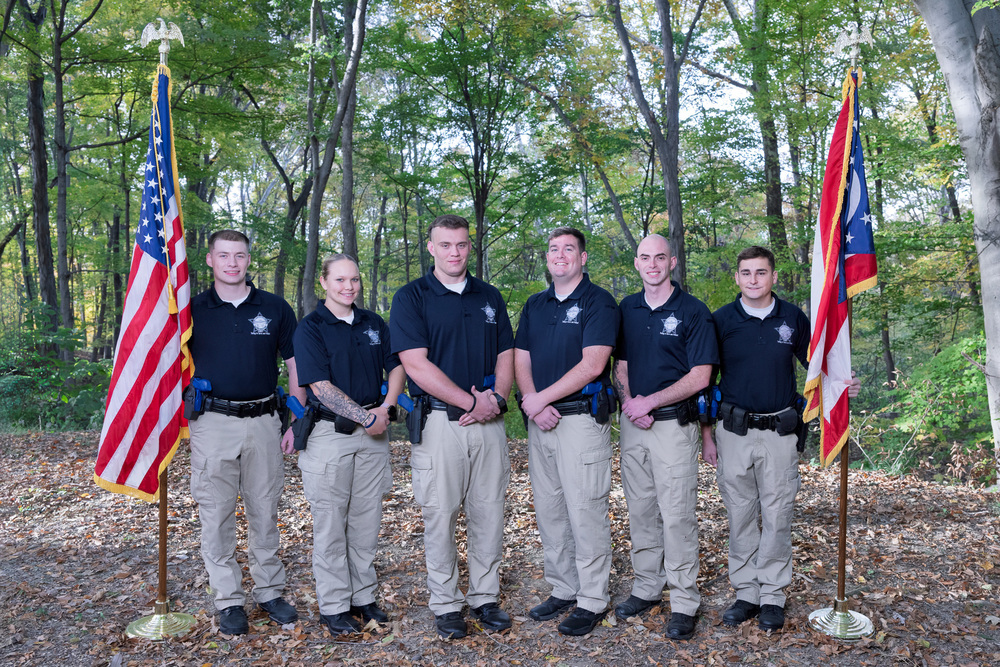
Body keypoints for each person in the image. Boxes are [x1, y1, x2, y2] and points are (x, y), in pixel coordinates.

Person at [701, 246, 860, 632]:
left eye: (761, 272)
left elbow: (817, 366)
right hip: (733, 432)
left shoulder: (793, 317)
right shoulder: (720, 320)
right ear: (736, 278)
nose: (753, 279)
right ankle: (746, 593)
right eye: (746, 273)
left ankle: (772, 594)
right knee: (739, 515)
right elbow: (705, 381)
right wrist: (707, 435)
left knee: (776, 516)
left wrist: (841, 384)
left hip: (779, 431)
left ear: (773, 276)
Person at [389, 214, 514, 639]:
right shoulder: (412, 297)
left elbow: (506, 356)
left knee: (488, 513)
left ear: (469, 246)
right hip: (441, 422)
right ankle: (446, 604)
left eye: (461, 244)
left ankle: (485, 597)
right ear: (431, 247)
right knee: (440, 515)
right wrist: (470, 402)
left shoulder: (489, 296)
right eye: (445, 245)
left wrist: (495, 400)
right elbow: (415, 364)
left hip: (489, 423)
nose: (454, 252)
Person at [187, 229, 306, 635]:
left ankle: (270, 591)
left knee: (264, 510)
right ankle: (228, 600)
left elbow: (295, 366)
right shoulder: (191, 309)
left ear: (249, 260)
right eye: (224, 256)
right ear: (210, 260)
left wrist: (296, 420)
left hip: (264, 423)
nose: (232, 263)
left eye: (239, 255)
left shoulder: (274, 308)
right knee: (216, 513)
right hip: (212, 422)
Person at [513, 227, 620, 637]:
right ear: (547, 257)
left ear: (583, 257)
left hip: (580, 421)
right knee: (551, 510)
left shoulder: (599, 302)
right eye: (554, 249)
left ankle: (592, 598)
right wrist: (531, 401)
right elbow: (521, 359)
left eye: (569, 249)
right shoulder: (535, 305)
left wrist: (541, 400)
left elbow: (593, 364)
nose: (560, 255)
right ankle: (564, 587)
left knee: (585, 509)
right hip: (541, 424)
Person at [612, 234, 718, 641]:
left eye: (660, 257)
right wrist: (629, 403)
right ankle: (646, 587)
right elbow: (619, 365)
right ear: (636, 263)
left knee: (676, 514)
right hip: (633, 425)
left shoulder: (693, 311)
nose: (652, 264)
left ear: (672, 262)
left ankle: (684, 600)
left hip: (673, 425)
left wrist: (650, 402)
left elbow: (700, 376)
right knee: (640, 510)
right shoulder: (627, 308)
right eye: (644, 257)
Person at [292, 254, 406, 635]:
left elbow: (397, 366)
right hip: (331, 435)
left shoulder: (374, 323)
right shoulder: (311, 328)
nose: (349, 287)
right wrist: (365, 417)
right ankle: (335, 605)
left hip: (374, 432)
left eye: (354, 279)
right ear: (323, 282)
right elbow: (319, 386)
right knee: (330, 524)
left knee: (365, 521)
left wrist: (386, 409)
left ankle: (363, 598)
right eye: (340, 280)